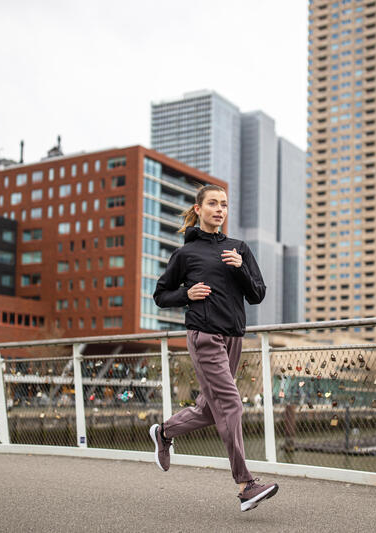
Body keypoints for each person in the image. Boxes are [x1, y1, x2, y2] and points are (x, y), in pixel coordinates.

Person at [149, 184, 279, 512]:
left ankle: (164, 432)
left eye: (223, 204)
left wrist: (241, 267)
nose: (219, 209)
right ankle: (246, 484)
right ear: (198, 209)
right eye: (212, 204)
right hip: (204, 335)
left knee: (211, 409)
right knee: (231, 403)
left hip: (234, 336)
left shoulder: (239, 248)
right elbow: (161, 295)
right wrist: (186, 295)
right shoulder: (186, 254)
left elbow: (258, 294)